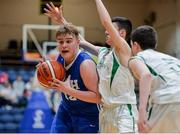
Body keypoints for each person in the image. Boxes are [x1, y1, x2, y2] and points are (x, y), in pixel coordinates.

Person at [44, 1, 142, 133]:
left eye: (110, 30)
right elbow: (80, 41)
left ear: (122, 33)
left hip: (123, 109)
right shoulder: (103, 52)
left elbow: (106, 22)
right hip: (105, 111)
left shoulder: (125, 51)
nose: (106, 31)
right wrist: (61, 20)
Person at [42, 24, 101, 133]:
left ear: (78, 42)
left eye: (68, 41)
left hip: (87, 116)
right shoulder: (59, 58)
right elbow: (57, 86)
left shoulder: (85, 64)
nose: (64, 45)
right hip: (66, 111)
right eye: (60, 42)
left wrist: (67, 90)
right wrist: (46, 75)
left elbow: (97, 97)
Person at [129, 25, 180, 133]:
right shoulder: (172, 59)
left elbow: (146, 76)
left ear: (135, 45)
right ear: (155, 44)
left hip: (167, 100)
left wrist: (141, 111)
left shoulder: (137, 58)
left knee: (143, 131)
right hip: (175, 98)